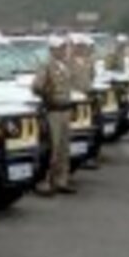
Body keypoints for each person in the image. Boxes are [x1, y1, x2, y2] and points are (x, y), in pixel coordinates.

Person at [32, 35, 76, 196]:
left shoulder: (64, 66)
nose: (63, 50)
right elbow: (36, 86)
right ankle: (44, 181)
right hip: (54, 111)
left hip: (65, 110)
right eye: (59, 48)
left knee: (64, 148)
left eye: (64, 47)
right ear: (52, 50)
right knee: (52, 148)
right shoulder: (46, 66)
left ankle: (61, 180)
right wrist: (47, 94)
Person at [68, 34, 100, 170]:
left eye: (82, 46)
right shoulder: (67, 62)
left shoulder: (88, 61)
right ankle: (75, 158)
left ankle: (89, 156)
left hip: (87, 97)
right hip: (75, 101)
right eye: (77, 46)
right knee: (75, 131)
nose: (80, 49)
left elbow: (92, 76)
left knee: (91, 128)